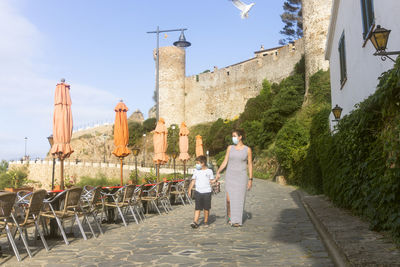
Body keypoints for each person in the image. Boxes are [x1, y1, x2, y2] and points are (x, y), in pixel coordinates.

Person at [215, 129, 253, 227]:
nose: (233, 138)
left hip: (241, 176)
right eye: (232, 136)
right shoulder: (230, 148)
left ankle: (236, 221)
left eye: (235, 136)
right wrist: (218, 171)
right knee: (229, 200)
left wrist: (250, 179)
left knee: (239, 199)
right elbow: (225, 161)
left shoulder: (247, 149)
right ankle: (230, 216)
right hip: (230, 176)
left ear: (240, 137)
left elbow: (250, 164)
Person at [188, 155, 215, 228]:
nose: (196, 164)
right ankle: (195, 222)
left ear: (203, 163)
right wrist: (189, 189)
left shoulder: (209, 171)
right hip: (198, 192)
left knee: (206, 208)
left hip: (207, 192)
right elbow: (193, 181)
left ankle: (206, 221)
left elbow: (211, 181)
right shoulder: (196, 171)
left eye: (198, 163)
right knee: (197, 208)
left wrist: (216, 180)